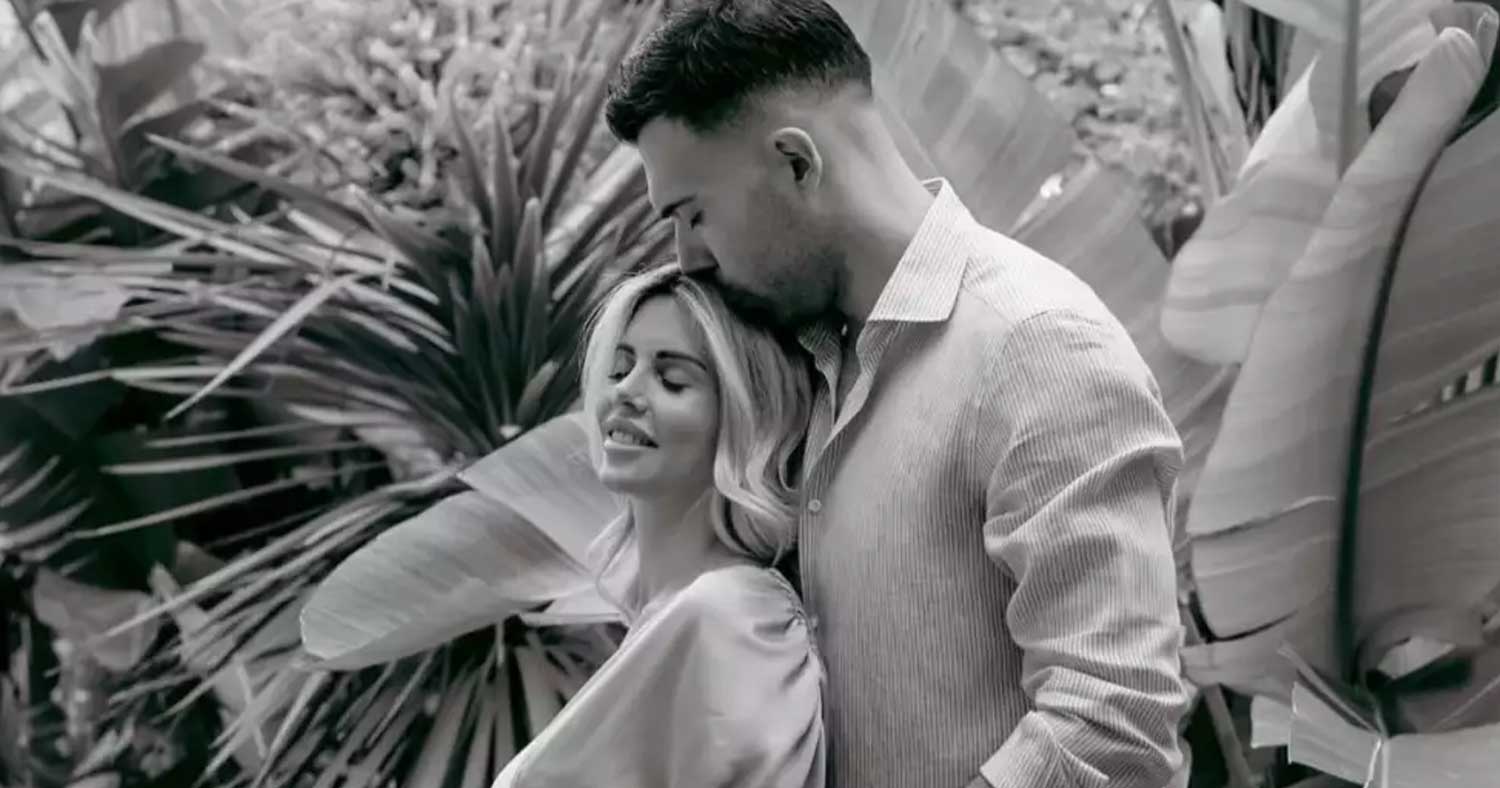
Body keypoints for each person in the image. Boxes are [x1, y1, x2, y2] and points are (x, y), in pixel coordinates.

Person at [602, 2, 1193, 787]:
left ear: (795, 162)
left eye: (694, 214)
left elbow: (1114, 723)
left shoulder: (1034, 347)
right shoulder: (804, 368)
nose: (687, 257)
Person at [490, 263, 826, 788]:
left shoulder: (732, 619)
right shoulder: (675, 615)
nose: (626, 390)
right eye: (619, 368)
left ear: (746, 417)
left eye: (672, 379)